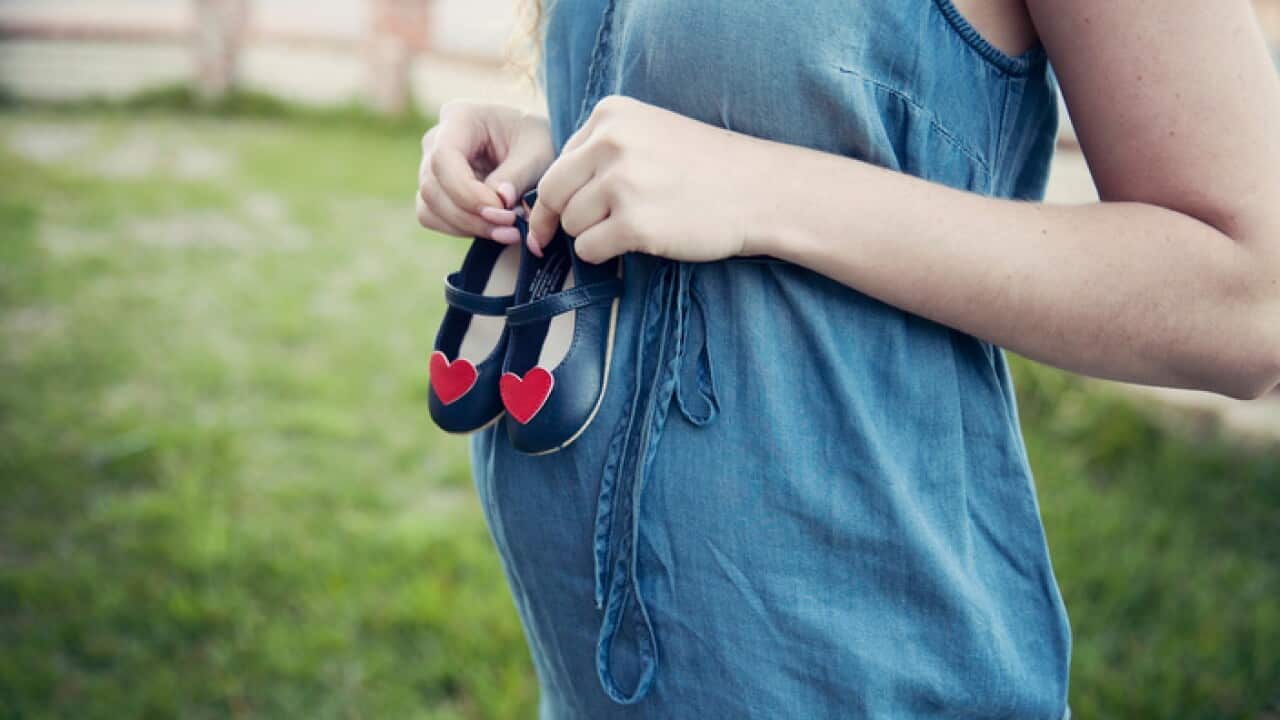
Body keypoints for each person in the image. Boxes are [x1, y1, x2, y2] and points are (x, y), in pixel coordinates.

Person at [414, 0, 1280, 717]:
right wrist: (558, 146)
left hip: (861, 668)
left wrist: (765, 188)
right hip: (593, 673)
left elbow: (1252, 301)